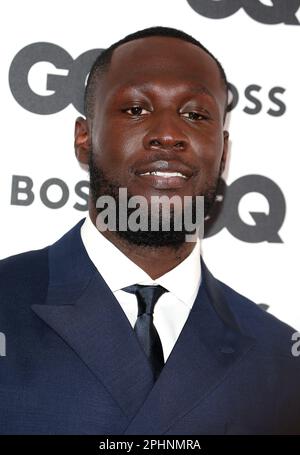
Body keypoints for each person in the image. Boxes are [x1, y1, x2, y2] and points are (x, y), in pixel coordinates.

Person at [0, 26, 299, 435]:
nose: (168, 135)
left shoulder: (282, 361)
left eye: (195, 114)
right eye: (136, 109)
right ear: (84, 138)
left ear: (224, 152)